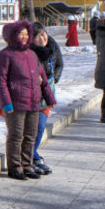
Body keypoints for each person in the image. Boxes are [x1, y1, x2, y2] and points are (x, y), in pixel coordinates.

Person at [0, 20, 55, 180]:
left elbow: (42, 76)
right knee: (16, 135)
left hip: (34, 101)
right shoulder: (5, 55)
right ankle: (15, 168)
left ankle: (27, 165)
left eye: (26, 33)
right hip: (15, 103)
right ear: (11, 36)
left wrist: (49, 97)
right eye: (20, 33)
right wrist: (6, 102)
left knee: (30, 136)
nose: (24, 36)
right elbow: (0, 81)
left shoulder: (31, 54)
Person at [29, 23, 63, 174]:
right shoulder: (29, 51)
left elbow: (59, 64)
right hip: (33, 94)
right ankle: (31, 157)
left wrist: (54, 79)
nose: (43, 38)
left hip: (47, 92)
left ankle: (33, 154)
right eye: (38, 36)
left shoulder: (53, 45)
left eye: (44, 34)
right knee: (31, 128)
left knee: (41, 126)